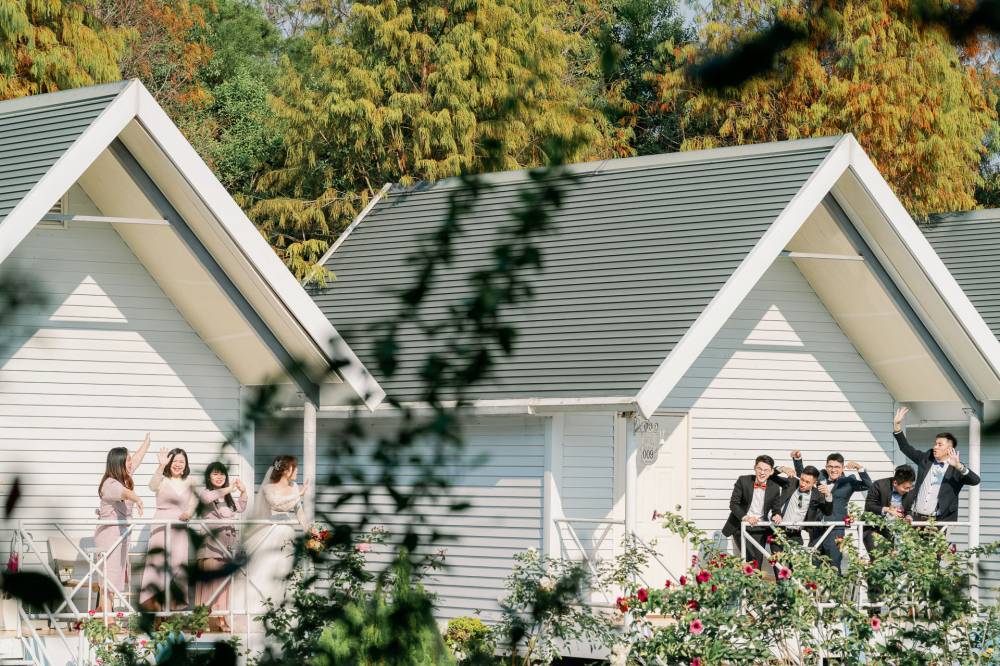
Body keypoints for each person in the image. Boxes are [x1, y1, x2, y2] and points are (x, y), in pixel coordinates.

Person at [240, 455, 309, 625]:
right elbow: (278, 505)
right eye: (295, 467)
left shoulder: (294, 487)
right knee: (267, 571)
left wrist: (310, 533)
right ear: (286, 470)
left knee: (287, 573)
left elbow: (299, 511)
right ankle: (261, 613)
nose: (297, 470)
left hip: (288, 534)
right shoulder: (268, 488)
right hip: (272, 532)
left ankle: (285, 616)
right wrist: (298, 494)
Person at [94, 434, 151, 616]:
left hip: (121, 534)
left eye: (128, 459)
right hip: (110, 535)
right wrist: (138, 499)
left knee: (115, 574)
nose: (130, 463)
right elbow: (125, 494)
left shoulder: (124, 477)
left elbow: (136, 459)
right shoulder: (110, 484)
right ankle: (108, 619)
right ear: (118, 463)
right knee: (109, 576)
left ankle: (101, 611)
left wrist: (146, 444)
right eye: (126, 460)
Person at [892, 407, 980, 524]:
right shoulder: (926, 458)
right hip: (917, 520)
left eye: (940, 445)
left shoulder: (956, 468)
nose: (935, 447)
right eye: (935, 444)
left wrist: (959, 466)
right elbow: (905, 447)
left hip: (940, 522)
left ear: (950, 449)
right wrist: (897, 424)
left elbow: (975, 480)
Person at [792, 450, 872, 571]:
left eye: (837, 467)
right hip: (816, 527)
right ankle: (813, 590)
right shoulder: (820, 476)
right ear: (826, 467)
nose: (833, 470)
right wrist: (798, 459)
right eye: (830, 466)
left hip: (835, 529)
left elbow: (868, 485)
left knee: (833, 566)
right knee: (813, 566)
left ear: (843, 468)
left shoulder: (849, 481)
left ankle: (835, 590)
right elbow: (803, 475)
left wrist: (859, 468)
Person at [140, 447, 198, 610]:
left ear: (186, 464)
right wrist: (160, 467)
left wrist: (188, 513)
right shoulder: (163, 479)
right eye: (174, 461)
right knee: (159, 566)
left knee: (177, 568)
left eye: (181, 461)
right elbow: (152, 486)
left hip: (179, 529)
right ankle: (156, 611)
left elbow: (192, 505)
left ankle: (172, 615)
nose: (177, 464)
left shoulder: (191, 482)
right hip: (161, 526)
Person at [195, 462, 247, 632]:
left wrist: (243, 490)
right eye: (215, 474)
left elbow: (240, 507)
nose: (220, 477)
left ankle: (221, 617)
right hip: (212, 544)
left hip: (228, 543)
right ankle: (202, 619)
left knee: (224, 583)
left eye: (222, 474)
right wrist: (228, 489)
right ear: (208, 477)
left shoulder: (227, 497)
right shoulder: (207, 493)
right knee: (210, 582)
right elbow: (207, 499)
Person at [722, 455, 792, 562]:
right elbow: (733, 504)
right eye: (759, 469)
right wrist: (746, 518)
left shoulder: (774, 487)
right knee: (748, 558)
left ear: (771, 472)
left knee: (757, 561)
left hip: (760, 528)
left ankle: (757, 579)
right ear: (754, 468)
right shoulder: (743, 480)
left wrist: (777, 515)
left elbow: (776, 510)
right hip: (741, 526)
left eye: (766, 470)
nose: (762, 473)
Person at [769, 465, 833, 558]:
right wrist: (781, 468)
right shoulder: (791, 482)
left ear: (814, 483)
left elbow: (828, 512)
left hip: (796, 536)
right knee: (779, 567)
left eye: (807, 482)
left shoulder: (817, 494)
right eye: (802, 479)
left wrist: (828, 495)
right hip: (779, 531)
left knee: (793, 569)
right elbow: (770, 476)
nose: (803, 484)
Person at [862, 464, 916, 561]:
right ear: (895, 483)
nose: (908, 490)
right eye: (905, 488)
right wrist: (886, 509)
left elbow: (908, 508)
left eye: (910, 487)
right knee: (878, 560)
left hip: (893, 529)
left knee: (891, 563)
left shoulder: (911, 490)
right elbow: (869, 506)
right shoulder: (879, 485)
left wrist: (908, 516)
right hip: (874, 528)